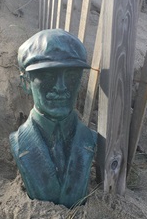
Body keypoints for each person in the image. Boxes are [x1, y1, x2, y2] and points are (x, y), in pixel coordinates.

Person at [9, 29, 97, 208]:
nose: (61, 87)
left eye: (71, 76)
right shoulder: (19, 142)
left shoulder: (90, 139)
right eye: (48, 75)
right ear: (26, 82)